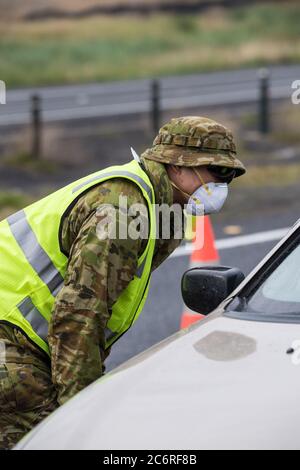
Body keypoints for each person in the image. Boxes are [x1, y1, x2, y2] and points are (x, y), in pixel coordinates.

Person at [0, 116, 246, 449]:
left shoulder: (163, 210)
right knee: (59, 438)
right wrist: (81, 408)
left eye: (230, 175)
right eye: (218, 173)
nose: (223, 185)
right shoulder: (126, 211)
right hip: (11, 341)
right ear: (177, 165)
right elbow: (80, 315)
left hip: (23, 340)